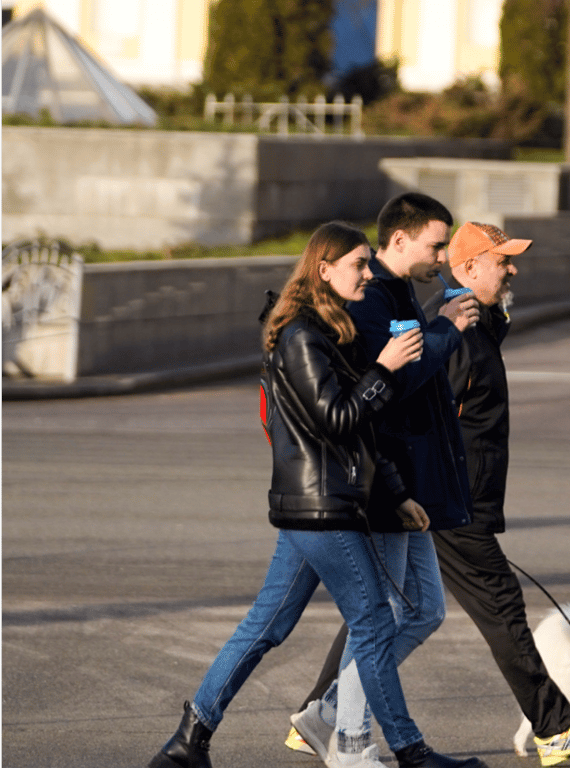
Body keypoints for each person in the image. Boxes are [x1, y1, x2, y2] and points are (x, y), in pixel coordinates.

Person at [148, 221, 486, 768]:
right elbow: (338, 419)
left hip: (317, 504)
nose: (367, 272)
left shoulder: (330, 330)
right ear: (324, 269)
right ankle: (410, 752)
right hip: (322, 508)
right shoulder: (301, 336)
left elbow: (362, 432)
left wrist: (397, 494)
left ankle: (189, 741)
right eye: (358, 264)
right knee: (374, 624)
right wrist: (385, 368)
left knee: (267, 626)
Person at [287, 220, 570, 768]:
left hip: (451, 498)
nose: (512, 269)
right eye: (501, 260)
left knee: (386, 609)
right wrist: (420, 491)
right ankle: (554, 729)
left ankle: (319, 713)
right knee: (498, 605)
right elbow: (418, 407)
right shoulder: (452, 332)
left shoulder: (477, 323)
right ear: (466, 268)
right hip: (447, 501)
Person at [287, 194, 483, 768]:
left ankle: (327, 711)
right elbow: (388, 387)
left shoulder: (398, 295)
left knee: (422, 612)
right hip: (385, 482)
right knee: (382, 617)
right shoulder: (372, 300)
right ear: (399, 240)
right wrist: (444, 332)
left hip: (411, 483)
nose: (442, 256)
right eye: (436, 245)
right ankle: (349, 737)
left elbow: (419, 384)